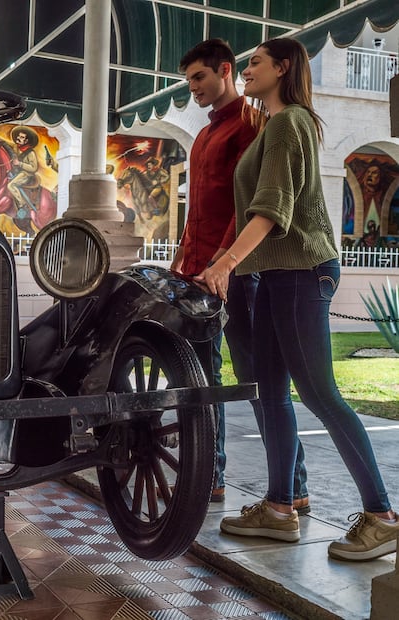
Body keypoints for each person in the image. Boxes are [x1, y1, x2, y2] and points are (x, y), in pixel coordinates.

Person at [196, 37, 398, 561]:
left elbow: (270, 210)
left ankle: (382, 516)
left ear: (283, 68)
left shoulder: (291, 123)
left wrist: (224, 262)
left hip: (301, 273)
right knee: (267, 391)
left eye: (256, 62)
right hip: (275, 274)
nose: (247, 70)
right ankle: (279, 507)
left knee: (319, 394)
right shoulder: (274, 125)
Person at [173, 39, 309, 508]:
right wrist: (182, 258)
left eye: (199, 78)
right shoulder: (204, 133)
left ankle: (296, 486)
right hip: (197, 272)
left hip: (237, 272)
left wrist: (224, 260)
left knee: (257, 380)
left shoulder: (253, 124)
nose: (192, 87)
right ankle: (210, 476)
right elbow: (201, 209)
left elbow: (249, 204)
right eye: (189, 80)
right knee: (202, 380)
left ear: (224, 70)